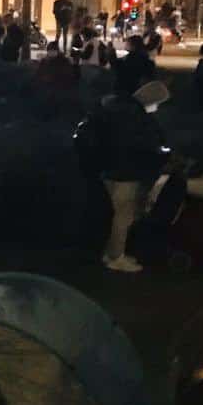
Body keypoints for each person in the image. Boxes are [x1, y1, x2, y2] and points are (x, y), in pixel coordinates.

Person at [81, 80, 170, 273]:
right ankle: (116, 256)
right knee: (123, 215)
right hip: (126, 172)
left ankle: (107, 252)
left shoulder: (113, 107)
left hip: (104, 169)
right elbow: (145, 147)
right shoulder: (138, 118)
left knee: (109, 213)